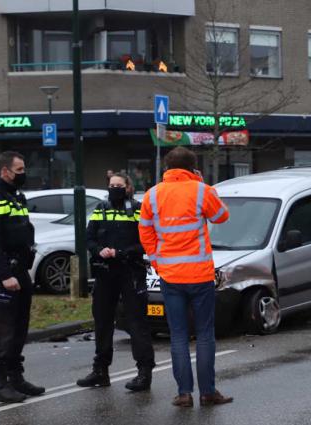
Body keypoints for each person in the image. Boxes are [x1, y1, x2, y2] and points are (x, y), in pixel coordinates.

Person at [139, 147, 231, 408]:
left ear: (168, 168)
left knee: (178, 336)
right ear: (192, 168)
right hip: (200, 275)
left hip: (170, 276)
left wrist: (157, 260)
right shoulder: (201, 190)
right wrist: (202, 184)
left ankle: (184, 394)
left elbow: (145, 233)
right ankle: (208, 392)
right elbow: (222, 216)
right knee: (204, 334)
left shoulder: (152, 195)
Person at [77, 173, 155, 391]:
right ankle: (100, 370)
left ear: (128, 187)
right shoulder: (101, 208)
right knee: (102, 321)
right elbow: (89, 237)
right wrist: (98, 250)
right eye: (111, 185)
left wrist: (122, 252)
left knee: (137, 322)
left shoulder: (138, 209)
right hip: (105, 272)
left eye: (118, 185)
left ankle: (144, 372)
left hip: (131, 272)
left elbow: (147, 241)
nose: (114, 189)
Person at [0, 151, 44, 403]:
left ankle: (16, 377)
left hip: (20, 271)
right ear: (5, 171)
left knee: (20, 327)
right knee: (3, 330)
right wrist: (5, 274)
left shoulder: (16, 197)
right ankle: (0, 384)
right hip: (3, 272)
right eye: (19, 170)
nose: (23, 173)